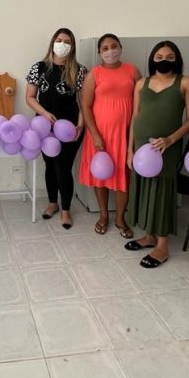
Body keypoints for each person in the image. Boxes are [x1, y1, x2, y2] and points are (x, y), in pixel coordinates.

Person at [125, 42, 189, 268]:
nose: (164, 60)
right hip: (141, 148)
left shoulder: (185, 82)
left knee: (162, 191)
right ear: (152, 59)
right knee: (145, 187)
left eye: (169, 56)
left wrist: (170, 140)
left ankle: (162, 246)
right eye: (159, 56)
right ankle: (149, 236)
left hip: (168, 147)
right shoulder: (141, 84)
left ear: (177, 59)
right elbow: (135, 117)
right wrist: (130, 149)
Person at [79, 33, 140, 238]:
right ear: (99, 53)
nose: (110, 51)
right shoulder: (94, 74)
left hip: (125, 135)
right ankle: (103, 215)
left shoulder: (132, 71)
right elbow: (85, 106)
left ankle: (120, 218)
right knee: (101, 175)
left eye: (114, 46)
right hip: (100, 136)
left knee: (124, 177)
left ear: (120, 47)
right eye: (105, 48)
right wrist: (95, 135)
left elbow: (142, 101)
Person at [25, 28, 88, 229]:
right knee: (50, 165)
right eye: (59, 40)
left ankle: (66, 210)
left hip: (70, 128)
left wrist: (81, 123)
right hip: (44, 127)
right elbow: (29, 97)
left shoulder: (79, 70)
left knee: (63, 167)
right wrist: (44, 113)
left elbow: (84, 102)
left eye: (67, 42)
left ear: (73, 46)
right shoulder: (39, 67)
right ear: (53, 42)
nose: (63, 44)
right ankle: (52, 203)